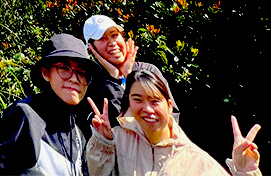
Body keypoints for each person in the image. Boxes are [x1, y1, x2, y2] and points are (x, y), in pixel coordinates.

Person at [86, 69, 261, 176]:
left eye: (155, 101)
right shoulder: (119, 140)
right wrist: (103, 143)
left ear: (169, 106)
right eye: (137, 99)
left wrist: (245, 171)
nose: (147, 109)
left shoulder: (196, 160)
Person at [0, 34, 101, 176]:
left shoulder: (79, 130)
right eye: (65, 68)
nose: (75, 79)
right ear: (46, 73)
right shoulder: (25, 115)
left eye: (82, 73)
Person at [83, 15, 179, 125]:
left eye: (114, 35)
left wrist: (129, 76)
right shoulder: (91, 84)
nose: (112, 43)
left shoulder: (149, 71)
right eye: (102, 39)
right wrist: (115, 79)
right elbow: (119, 125)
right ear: (91, 48)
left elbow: (172, 116)